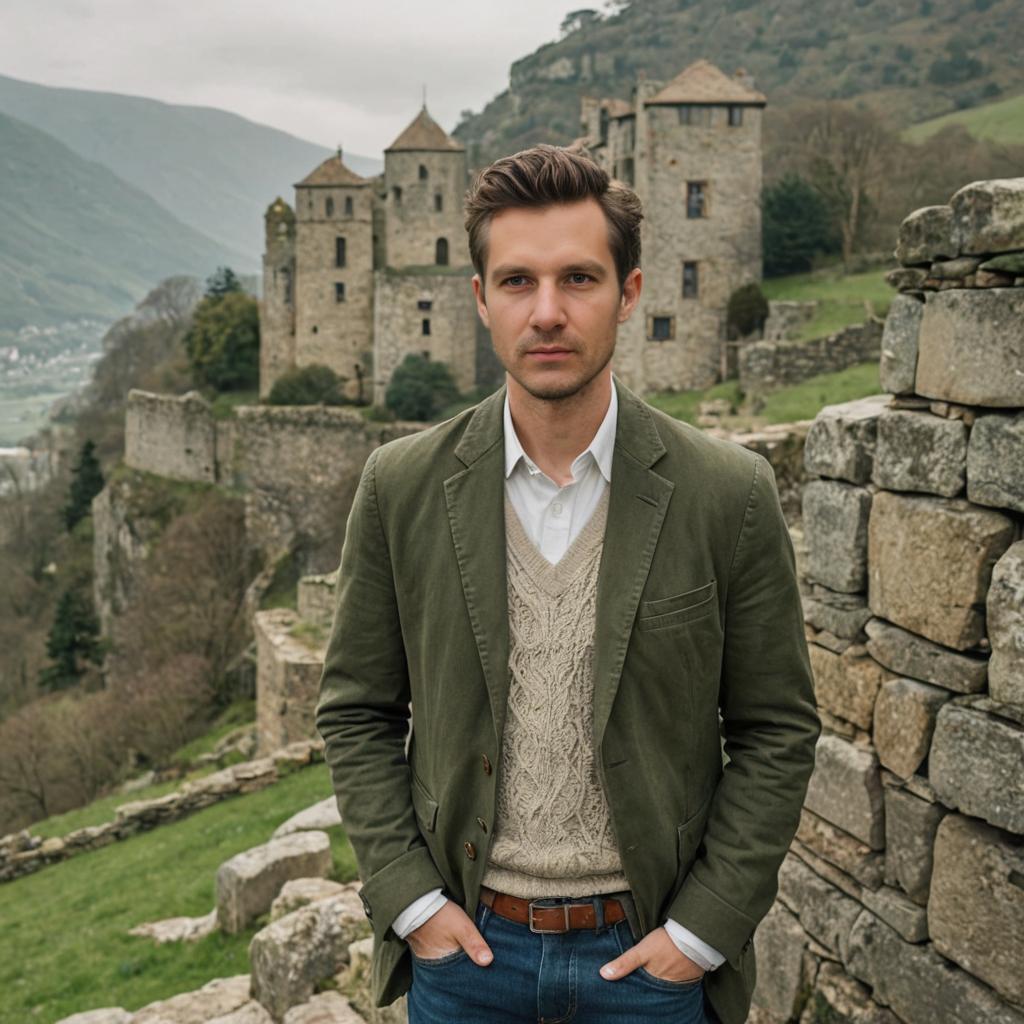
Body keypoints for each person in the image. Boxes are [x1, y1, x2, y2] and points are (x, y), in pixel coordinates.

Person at [315, 144, 820, 1024]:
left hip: (649, 967)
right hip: (465, 961)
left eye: (578, 279)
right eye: (516, 282)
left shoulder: (727, 493)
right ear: (479, 299)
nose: (547, 312)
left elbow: (776, 729)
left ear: (628, 293)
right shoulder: (399, 486)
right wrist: (409, 903)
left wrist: (700, 933)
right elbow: (356, 709)